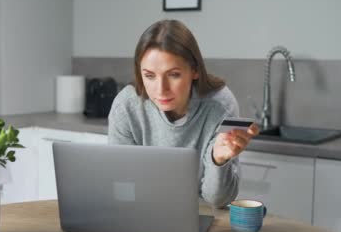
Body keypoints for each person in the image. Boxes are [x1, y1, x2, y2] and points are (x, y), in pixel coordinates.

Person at [108, 19, 259, 209]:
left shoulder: (221, 106)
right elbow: (120, 188)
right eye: (149, 76)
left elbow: (218, 200)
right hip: (140, 212)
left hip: (200, 216)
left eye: (173, 75)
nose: (161, 89)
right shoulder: (127, 105)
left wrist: (218, 160)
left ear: (194, 70)